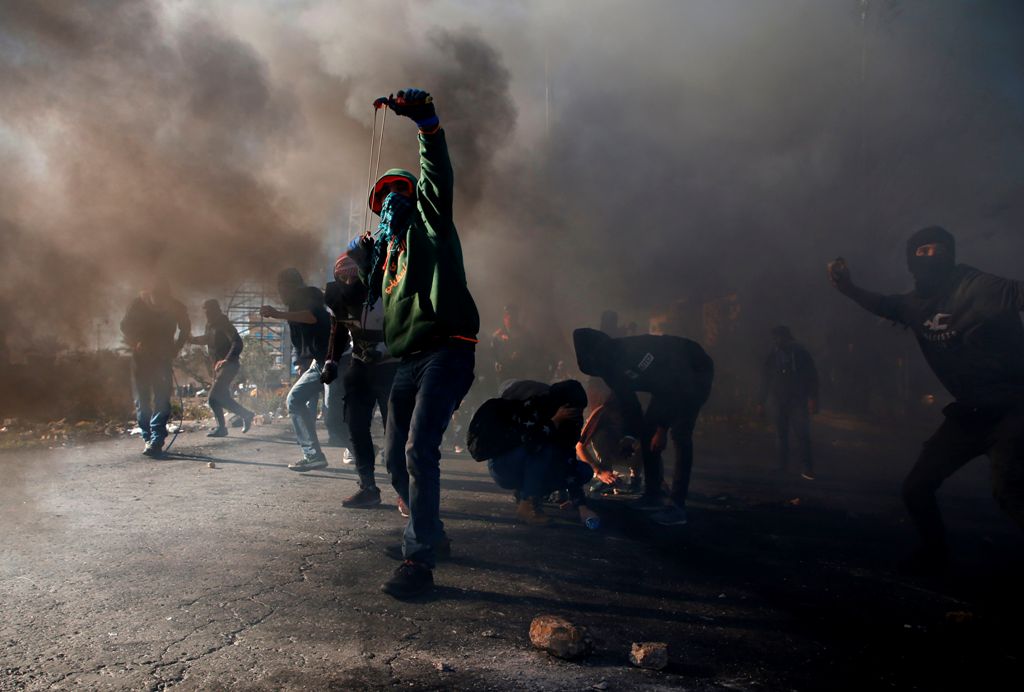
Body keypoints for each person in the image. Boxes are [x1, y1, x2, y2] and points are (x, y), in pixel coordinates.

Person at [828, 225, 1024, 572]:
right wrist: (847, 288)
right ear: (911, 260)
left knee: (1010, 492)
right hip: (970, 414)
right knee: (916, 489)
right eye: (923, 251)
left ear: (952, 254)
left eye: (940, 249)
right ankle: (934, 554)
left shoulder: (979, 286)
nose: (932, 256)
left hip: (1014, 407)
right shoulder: (913, 305)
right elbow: (884, 304)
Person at [361, 88, 479, 599]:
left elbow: (436, 183)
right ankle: (430, 533)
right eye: (383, 198)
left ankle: (419, 560)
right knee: (393, 459)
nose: (391, 202)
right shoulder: (386, 264)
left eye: (398, 193)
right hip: (409, 360)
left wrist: (427, 126)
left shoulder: (429, 229)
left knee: (418, 448)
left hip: (448, 350)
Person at [573, 328, 714, 526]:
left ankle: (677, 506)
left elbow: (671, 386)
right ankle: (653, 494)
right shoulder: (608, 369)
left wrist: (662, 429)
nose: (600, 371)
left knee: (680, 433)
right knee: (647, 430)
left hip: (693, 370)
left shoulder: (635, 350)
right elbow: (629, 404)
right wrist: (630, 436)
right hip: (665, 385)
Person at [322, 248, 399, 509]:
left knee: (396, 432)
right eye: (342, 278)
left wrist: (387, 348)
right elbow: (338, 330)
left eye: (353, 278)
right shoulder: (336, 298)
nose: (347, 283)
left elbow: (407, 326)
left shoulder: (389, 289)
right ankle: (368, 487)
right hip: (360, 367)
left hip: (392, 368)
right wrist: (331, 362)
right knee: (354, 426)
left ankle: (406, 492)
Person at [469, 379, 599, 528]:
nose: (577, 416)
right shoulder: (533, 407)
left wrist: (582, 507)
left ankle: (529, 493)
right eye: (573, 410)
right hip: (504, 466)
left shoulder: (572, 421)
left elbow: (567, 458)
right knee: (544, 449)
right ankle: (527, 505)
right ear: (562, 406)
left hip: (532, 464)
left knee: (583, 470)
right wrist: (554, 422)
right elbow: (531, 443)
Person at [260, 268, 332, 472]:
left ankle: (361, 449)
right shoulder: (293, 306)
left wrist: (277, 314)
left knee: (334, 418)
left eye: (283, 286)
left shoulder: (309, 295)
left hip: (337, 361)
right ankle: (313, 455)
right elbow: (299, 340)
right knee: (295, 399)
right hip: (318, 363)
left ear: (292, 286)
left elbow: (312, 317)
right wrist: (300, 362)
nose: (280, 291)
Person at [120, 278, 190, 458]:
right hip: (141, 359)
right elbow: (125, 326)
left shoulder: (176, 307)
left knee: (161, 399)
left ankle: (157, 439)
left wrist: (176, 347)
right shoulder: (139, 304)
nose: (158, 301)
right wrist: (135, 341)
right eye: (155, 296)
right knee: (142, 401)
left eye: (162, 297)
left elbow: (185, 329)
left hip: (162, 358)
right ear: (150, 294)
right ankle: (148, 437)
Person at [757, 326, 819, 479]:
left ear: (787, 337)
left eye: (779, 338)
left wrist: (812, 398)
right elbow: (765, 378)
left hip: (798, 399)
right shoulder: (773, 354)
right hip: (779, 399)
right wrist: (760, 401)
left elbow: (812, 377)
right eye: (775, 338)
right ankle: (782, 467)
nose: (776, 341)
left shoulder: (800, 353)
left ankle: (807, 468)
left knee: (802, 434)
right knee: (781, 435)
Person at [190, 299, 254, 437]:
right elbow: (207, 339)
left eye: (209, 311)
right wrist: (191, 339)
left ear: (215, 310)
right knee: (220, 398)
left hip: (229, 366)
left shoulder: (223, 323)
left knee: (213, 397)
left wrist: (227, 359)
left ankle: (239, 418)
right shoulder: (211, 325)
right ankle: (237, 419)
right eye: (205, 311)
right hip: (219, 368)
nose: (206, 314)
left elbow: (237, 341)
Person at [576, 394, 642, 495]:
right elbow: (580, 447)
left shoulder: (634, 415)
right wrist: (599, 472)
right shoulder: (600, 414)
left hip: (627, 454)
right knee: (600, 436)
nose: (618, 418)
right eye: (615, 413)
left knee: (646, 441)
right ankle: (608, 479)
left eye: (622, 415)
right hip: (609, 452)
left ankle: (635, 480)